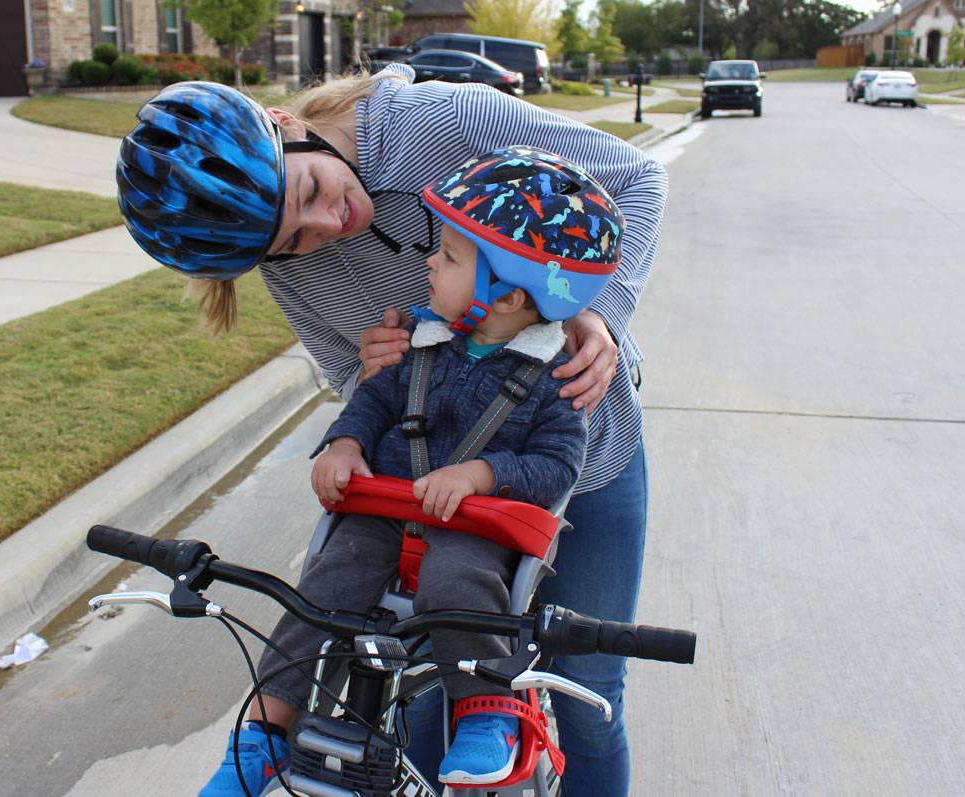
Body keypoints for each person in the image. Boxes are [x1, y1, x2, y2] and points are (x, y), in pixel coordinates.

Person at [117, 65, 667, 796]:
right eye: (292, 241)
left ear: (284, 124)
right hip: (429, 500)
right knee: (429, 683)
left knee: (588, 686)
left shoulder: (440, 122)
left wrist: (599, 310)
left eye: (308, 191)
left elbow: (637, 180)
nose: (326, 226)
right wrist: (369, 374)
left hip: (576, 456)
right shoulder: (287, 267)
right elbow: (349, 375)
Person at [195, 146, 623, 795]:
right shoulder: (420, 342)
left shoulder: (548, 378)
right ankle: (265, 732)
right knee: (328, 581)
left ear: (504, 295)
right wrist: (343, 446)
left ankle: (489, 711)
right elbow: (372, 403)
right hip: (386, 511)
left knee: (456, 578)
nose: (428, 261)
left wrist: (482, 473)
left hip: (473, 531)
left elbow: (558, 466)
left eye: (448, 257)